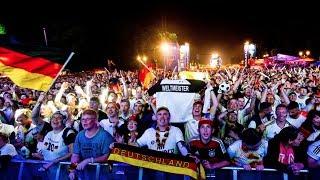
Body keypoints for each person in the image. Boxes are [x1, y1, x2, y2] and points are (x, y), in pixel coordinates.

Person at [69, 109, 113, 180]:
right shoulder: (80, 135)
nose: (84, 122)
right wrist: (72, 170)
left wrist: (89, 160)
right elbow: (75, 155)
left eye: (87, 119)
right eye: (83, 119)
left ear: (95, 120)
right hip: (84, 175)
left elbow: (107, 157)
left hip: (102, 175)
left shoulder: (105, 136)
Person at [34, 110, 76, 179]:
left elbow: (74, 153)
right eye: (53, 117)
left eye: (59, 118)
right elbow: (49, 154)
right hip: (47, 171)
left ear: (64, 120)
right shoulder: (48, 134)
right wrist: (39, 156)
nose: (55, 119)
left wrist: (72, 171)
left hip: (62, 174)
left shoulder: (69, 133)